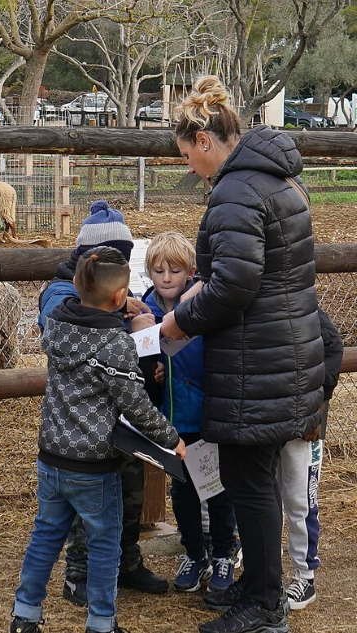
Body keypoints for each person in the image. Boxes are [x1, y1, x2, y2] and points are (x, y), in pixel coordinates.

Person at [162, 75, 326, 633]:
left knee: (249, 479)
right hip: (287, 353)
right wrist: (200, 286)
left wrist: (180, 318)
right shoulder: (279, 182)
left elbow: (234, 285)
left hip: (257, 361)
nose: (189, 167)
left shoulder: (236, 191)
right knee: (256, 478)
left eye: (188, 154)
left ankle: (263, 603)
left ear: (204, 139)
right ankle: (262, 593)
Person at [11, 247, 184, 633]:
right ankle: (101, 622)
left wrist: (104, 306)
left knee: (45, 535)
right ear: (122, 298)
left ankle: (25, 614)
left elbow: (82, 313)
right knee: (105, 543)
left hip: (52, 457)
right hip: (94, 465)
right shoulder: (115, 346)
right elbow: (135, 406)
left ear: (74, 286)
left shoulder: (55, 326)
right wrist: (170, 439)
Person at [36, 201, 168, 605]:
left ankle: (126, 561)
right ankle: (79, 572)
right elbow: (66, 326)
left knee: (128, 490)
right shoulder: (62, 291)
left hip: (119, 417)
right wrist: (128, 324)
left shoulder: (114, 291)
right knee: (86, 505)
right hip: (82, 423)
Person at [133, 231, 237, 595]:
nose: (166, 278)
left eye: (174, 271)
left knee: (214, 487)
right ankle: (195, 553)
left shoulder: (203, 309)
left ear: (190, 272)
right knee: (183, 491)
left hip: (205, 415)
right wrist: (157, 373)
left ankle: (224, 551)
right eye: (158, 270)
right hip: (170, 421)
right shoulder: (145, 311)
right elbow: (144, 361)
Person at [278, 306, 343, 611]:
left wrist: (319, 405)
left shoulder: (305, 308)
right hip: (263, 420)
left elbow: (332, 347)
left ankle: (305, 575)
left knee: (300, 500)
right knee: (263, 496)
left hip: (303, 425)